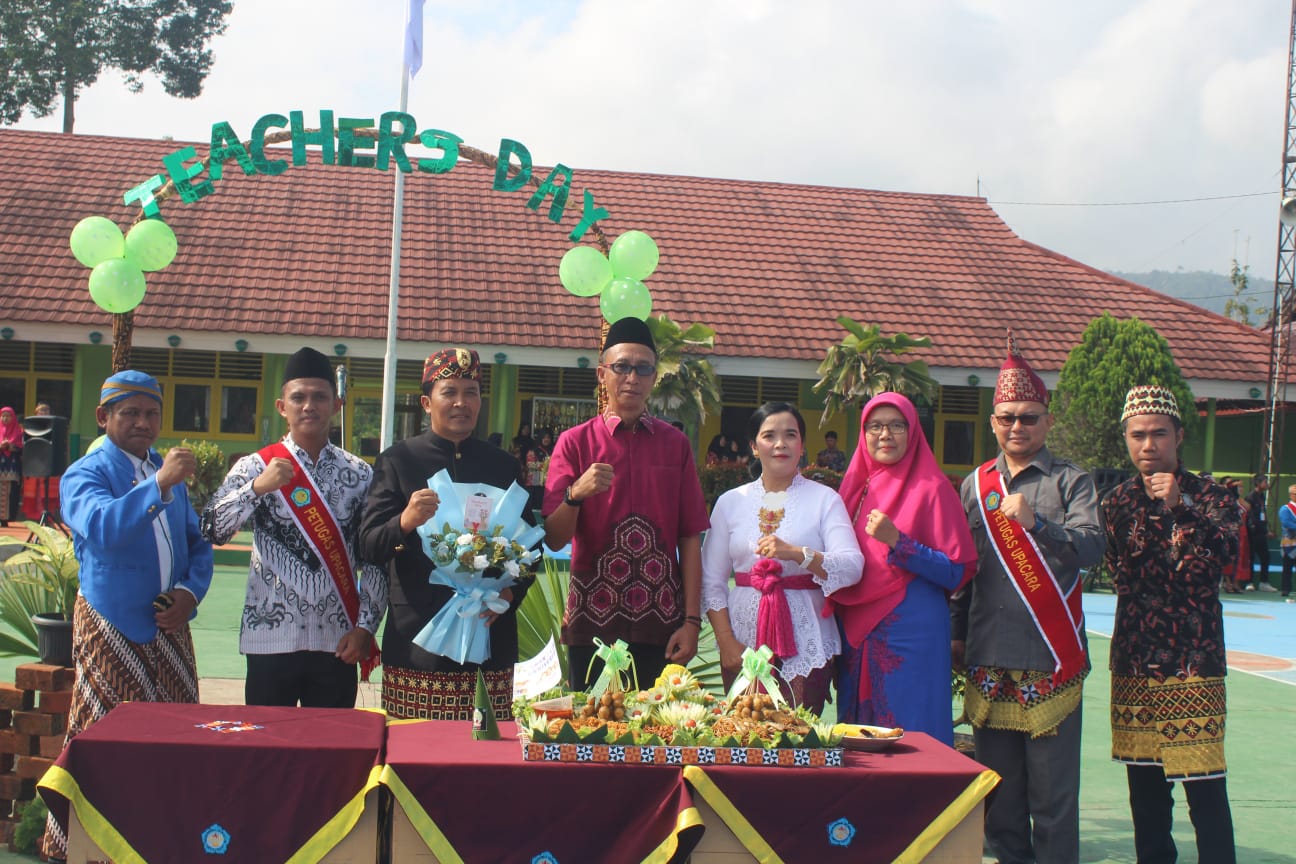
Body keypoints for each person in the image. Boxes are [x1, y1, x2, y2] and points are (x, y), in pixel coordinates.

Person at [47, 371, 213, 859]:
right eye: (130, 413)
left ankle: (162, 836)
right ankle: (87, 846)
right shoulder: (86, 472)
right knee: (107, 739)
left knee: (178, 732)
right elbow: (102, 528)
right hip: (110, 622)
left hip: (170, 625)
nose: (143, 423)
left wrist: (189, 593)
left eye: (151, 413)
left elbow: (196, 543)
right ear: (103, 417)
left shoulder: (162, 467)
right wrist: (159, 483)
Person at [950, 336, 1103, 864]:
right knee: (1001, 791)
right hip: (989, 658)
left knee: (1054, 794)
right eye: (1007, 417)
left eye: (1030, 418)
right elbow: (965, 571)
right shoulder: (974, 485)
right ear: (993, 422)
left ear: (1048, 421)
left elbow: (1092, 549)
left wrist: (1040, 525)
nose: (1018, 427)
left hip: (1049, 662)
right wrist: (955, 634)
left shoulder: (1071, 481)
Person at [202, 347, 386, 708]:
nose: (308, 406)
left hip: (338, 641)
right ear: (281, 406)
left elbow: (375, 558)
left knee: (333, 756)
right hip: (270, 639)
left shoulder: (360, 474)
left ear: (337, 405)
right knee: (268, 751)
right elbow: (211, 528)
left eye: (320, 397)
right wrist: (256, 489)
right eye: (298, 398)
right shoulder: (256, 467)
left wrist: (366, 627)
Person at [359, 348, 532, 719]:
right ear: (426, 402)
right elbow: (369, 545)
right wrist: (405, 520)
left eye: (470, 392)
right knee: (413, 756)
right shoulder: (399, 461)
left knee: (485, 759)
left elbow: (530, 548)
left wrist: (509, 593)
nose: (460, 403)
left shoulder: (502, 465)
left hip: (490, 635)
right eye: (449, 392)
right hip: (418, 643)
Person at [1104, 385, 1237, 863]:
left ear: (1179, 436)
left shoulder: (1213, 496)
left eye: (1159, 433)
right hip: (1135, 660)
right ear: (1126, 439)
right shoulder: (1115, 501)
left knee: (1204, 788)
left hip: (1193, 660)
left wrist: (1180, 506)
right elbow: (1118, 570)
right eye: (1137, 435)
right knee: (1146, 792)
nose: (1148, 445)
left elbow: (1220, 562)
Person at [543, 317, 709, 690]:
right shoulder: (575, 443)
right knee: (592, 736)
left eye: (643, 368)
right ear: (603, 374)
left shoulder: (675, 444)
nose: (632, 377)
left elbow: (690, 537)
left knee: (658, 737)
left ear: (654, 377)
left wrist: (692, 622)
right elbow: (554, 538)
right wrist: (576, 494)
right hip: (592, 628)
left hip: (662, 627)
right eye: (621, 367)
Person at [832, 393, 977, 744]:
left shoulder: (933, 488)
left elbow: (957, 571)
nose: (885, 434)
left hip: (911, 635)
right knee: (856, 739)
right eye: (875, 426)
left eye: (897, 425)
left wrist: (900, 543)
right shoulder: (853, 489)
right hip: (855, 634)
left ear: (913, 432)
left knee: (912, 735)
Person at [701, 403, 863, 714]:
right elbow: (711, 580)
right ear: (753, 446)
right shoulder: (730, 502)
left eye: (790, 435)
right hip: (742, 639)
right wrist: (726, 643)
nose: (780, 444)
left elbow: (852, 566)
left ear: (802, 445)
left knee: (799, 740)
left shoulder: (825, 499)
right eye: (769, 435)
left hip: (807, 640)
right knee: (742, 738)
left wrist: (797, 554)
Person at [1246, 474, 1273, 591]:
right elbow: (1251, 517)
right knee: (1250, 558)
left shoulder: (1262, 496)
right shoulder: (1250, 497)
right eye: (1265, 482)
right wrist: (1261, 530)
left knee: (1265, 557)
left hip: (1261, 533)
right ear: (1258, 483)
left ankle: (1264, 582)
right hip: (1253, 533)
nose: (1267, 484)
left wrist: (1266, 529)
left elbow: (1262, 515)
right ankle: (1249, 582)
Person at [0, 407, 21, 526]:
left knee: (10, 494)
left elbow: (22, 448)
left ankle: (5, 520)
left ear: (13, 418)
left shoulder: (18, 431)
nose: (5, 418)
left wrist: (10, 446)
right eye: (3, 415)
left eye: (8, 416)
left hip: (12, 468)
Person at [1281, 483, 1296, 599]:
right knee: (1287, 567)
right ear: (1291, 495)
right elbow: (1286, 523)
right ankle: (1285, 589)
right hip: (1289, 542)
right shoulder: (1285, 509)